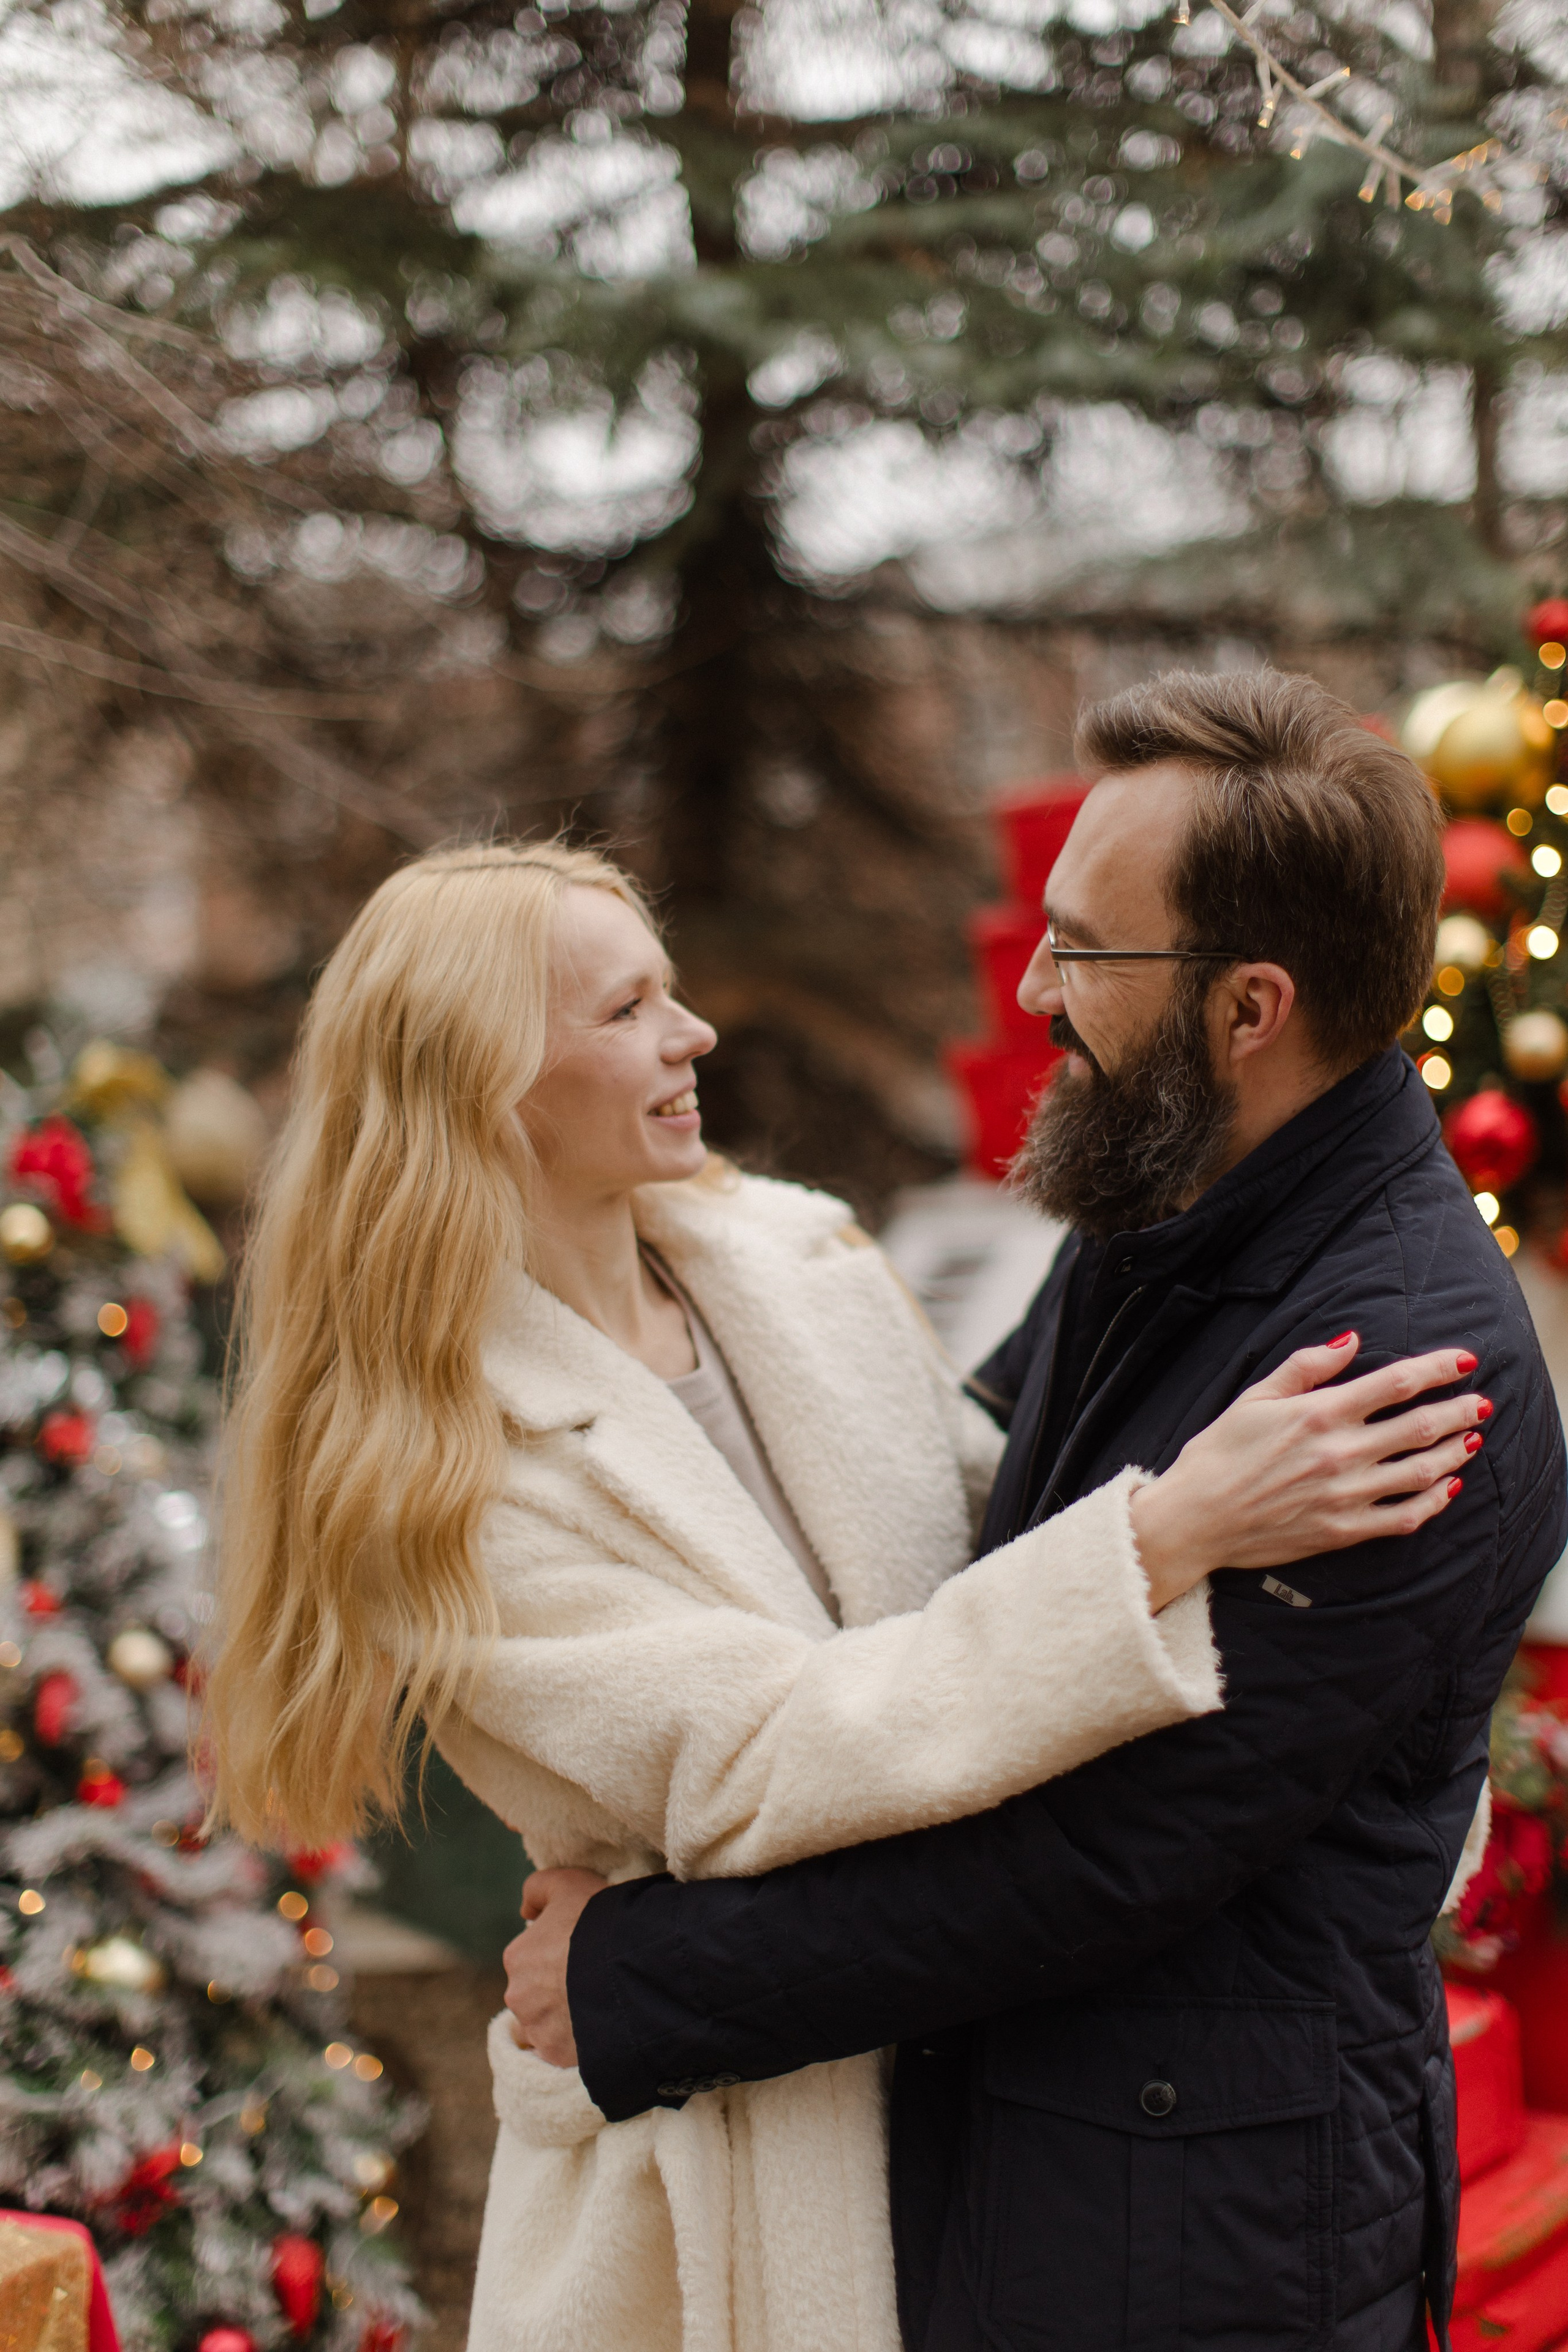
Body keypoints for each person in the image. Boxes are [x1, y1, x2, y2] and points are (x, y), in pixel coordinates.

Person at [205, 837, 1477, 2352]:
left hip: (976, 2102)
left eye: (670, 990)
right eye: (624, 1011)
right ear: (480, 1085)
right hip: (715, 2185)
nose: (692, 1034)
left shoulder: (794, 1258)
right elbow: (770, 1754)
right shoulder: (436, 1464)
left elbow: (995, 1536)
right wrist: (1164, 1533)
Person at [506, 672, 1568, 2352]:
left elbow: (1096, 1856)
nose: (1031, 987)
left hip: (1207, 2261)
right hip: (1056, 2183)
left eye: (1082, 949)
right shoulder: (1182, 1188)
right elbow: (950, 1465)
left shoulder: (1392, 1381)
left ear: (1249, 1007)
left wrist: (640, 1976)